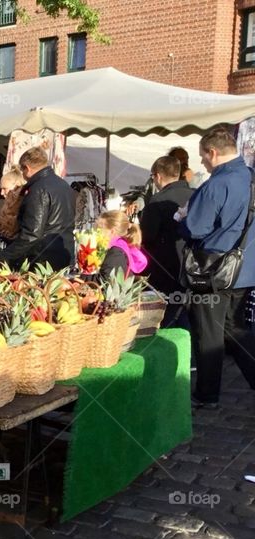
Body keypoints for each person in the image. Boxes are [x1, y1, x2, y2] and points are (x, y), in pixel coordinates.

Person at [178, 127, 255, 409]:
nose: (202, 163)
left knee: (208, 333)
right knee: (237, 331)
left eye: (202, 157)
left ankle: (207, 394)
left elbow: (196, 228)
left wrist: (181, 218)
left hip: (214, 271)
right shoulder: (250, 177)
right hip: (247, 269)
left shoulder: (216, 185)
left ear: (213, 153)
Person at [0, 147, 74, 271]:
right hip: (65, 254)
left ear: (27, 168)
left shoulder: (38, 190)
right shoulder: (64, 185)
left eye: (22, 171)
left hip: (43, 262)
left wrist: (2, 256)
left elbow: (32, 234)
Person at [140, 155, 194, 327]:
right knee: (186, 314)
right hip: (191, 265)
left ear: (158, 176)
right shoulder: (195, 195)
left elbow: (147, 236)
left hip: (163, 267)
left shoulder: (157, 201)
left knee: (164, 316)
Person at [95, 210, 148, 279]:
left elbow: (105, 280)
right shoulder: (122, 247)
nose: (95, 232)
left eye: (99, 229)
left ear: (112, 231)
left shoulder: (116, 253)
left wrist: (84, 276)